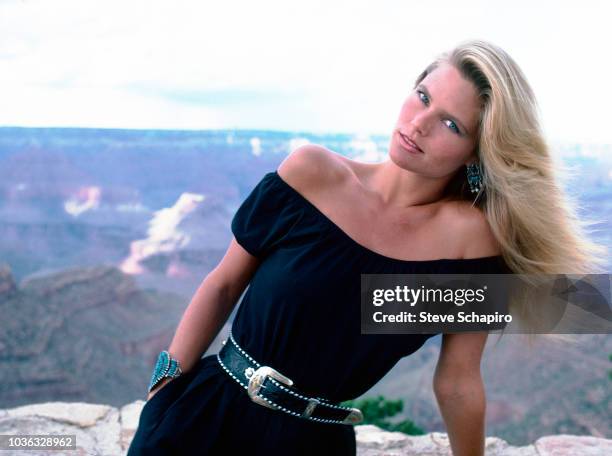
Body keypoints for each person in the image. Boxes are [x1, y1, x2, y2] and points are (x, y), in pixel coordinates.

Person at [126, 39, 607, 456]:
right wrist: (163, 393)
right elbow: (223, 283)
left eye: (450, 125)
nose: (418, 123)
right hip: (201, 421)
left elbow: (457, 378)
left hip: (314, 444)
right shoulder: (312, 174)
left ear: (478, 152)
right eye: (421, 97)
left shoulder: (468, 242)